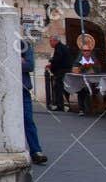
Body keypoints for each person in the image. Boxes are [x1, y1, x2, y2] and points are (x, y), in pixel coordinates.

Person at [21, 37, 47, 165]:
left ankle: (36, 151)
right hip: (5, 89)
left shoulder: (24, 44)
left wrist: (13, 60)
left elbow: (30, 65)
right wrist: (19, 60)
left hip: (22, 89)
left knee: (28, 120)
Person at [46, 33, 73, 111]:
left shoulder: (59, 48)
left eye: (50, 41)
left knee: (59, 88)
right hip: (65, 71)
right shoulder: (62, 47)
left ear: (55, 41)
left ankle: (60, 105)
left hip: (61, 71)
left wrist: (51, 62)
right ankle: (63, 105)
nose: (50, 43)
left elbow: (58, 59)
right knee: (62, 88)